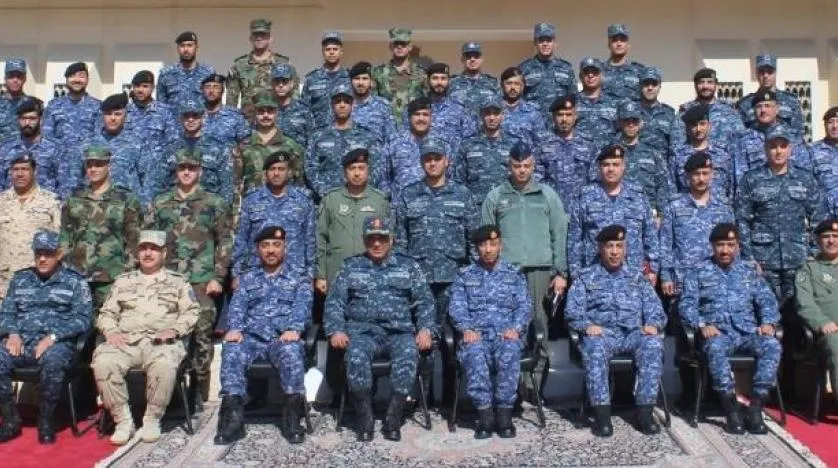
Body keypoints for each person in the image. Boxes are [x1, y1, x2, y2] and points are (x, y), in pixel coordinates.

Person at [325, 215, 435, 442]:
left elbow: (425, 301)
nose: (376, 244)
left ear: (391, 239)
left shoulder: (408, 266)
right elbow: (335, 302)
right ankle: (364, 417)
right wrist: (336, 330)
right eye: (371, 239)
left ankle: (393, 418)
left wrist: (425, 329)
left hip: (399, 333)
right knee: (355, 357)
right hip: (362, 333)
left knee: (408, 355)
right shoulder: (350, 266)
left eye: (382, 238)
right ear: (364, 240)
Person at [91, 230, 199, 445]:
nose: (148, 253)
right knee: (103, 361)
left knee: (164, 363)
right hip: (126, 341)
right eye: (143, 248)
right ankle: (123, 421)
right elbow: (106, 314)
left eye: (154, 249)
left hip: (161, 342)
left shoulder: (178, 283)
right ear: (137, 252)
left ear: (164, 253)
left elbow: (191, 312)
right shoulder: (122, 282)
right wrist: (111, 332)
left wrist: (174, 330)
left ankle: (152, 420)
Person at [482, 142, 568, 400]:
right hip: (506, 273)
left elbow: (559, 234)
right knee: (507, 327)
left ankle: (534, 386)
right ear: (509, 166)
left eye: (527, 165)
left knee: (539, 325)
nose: (522, 170)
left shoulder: (547, 195)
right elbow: (486, 236)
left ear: (534, 165)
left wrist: (560, 272)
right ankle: (511, 386)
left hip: (539, 272)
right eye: (517, 165)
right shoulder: (495, 196)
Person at [146, 148, 233, 403]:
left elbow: (225, 242)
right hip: (167, 280)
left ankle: (198, 390)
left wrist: (218, 277)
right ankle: (169, 391)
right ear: (176, 171)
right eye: (182, 168)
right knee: (165, 330)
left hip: (202, 281)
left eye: (191, 168)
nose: (186, 172)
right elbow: (149, 242)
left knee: (201, 334)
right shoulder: (160, 203)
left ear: (200, 171)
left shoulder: (214, 203)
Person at [679, 223, 781, 435]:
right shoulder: (698, 272)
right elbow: (686, 305)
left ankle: (755, 407)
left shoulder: (749, 272)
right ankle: (731, 408)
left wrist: (768, 322)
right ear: (712, 246)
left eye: (730, 245)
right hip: (718, 334)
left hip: (747, 332)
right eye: (720, 245)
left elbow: (767, 300)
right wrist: (701, 324)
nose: (725, 250)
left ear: (737, 246)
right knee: (715, 348)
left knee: (772, 345)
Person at [565, 224, 666, 437]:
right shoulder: (585, 277)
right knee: (594, 348)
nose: (614, 252)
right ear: (600, 248)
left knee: (652, 343)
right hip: (603, 335)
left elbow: (657, 310)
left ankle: (645, 413)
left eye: (619, 246)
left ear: (625, 249)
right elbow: (572, 312)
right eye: (609, 246)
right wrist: (586, 326)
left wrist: (653, 324)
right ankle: (602, 416)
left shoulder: (637, 277)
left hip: (633, 334)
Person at [215, 225, 311, 445]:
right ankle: (233, 420)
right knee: (232, 350)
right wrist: (235, 328)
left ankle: (292, 419)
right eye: (265, 245)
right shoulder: (247, 279)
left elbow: (302, 308)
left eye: (276, 245)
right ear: (258, 249)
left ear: (285, 248)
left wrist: (294, 328)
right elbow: (237, 307)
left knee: (291, 352)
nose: (271, 250)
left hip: (282, 339)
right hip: (251, 339)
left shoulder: (299, 279)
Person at [0, 230, 92, 444]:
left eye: (48, 254)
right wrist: (12, 333)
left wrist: (53, 337)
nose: (42, 258)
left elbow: (84, 319)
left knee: (53, 361)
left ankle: (46, 419)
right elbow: (6, 312)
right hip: (22, 341)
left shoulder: (74, 281)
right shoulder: (20, 279)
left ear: (58, 254)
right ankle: (11, 420)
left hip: (56, 343)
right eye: (38, 253)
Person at [448, 225, 531, 439]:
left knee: (510, 350)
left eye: (493, 244)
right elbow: (457, 308)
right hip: (476, 335)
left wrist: (516, 328)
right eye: (483, 245)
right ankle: (485, 416)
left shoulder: (514, 274)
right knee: (473, 352)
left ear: (500, 246)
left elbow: (524, 307)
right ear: (476, 248)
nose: (488, 249)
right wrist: (466, 329)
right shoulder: (464, 275)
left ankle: (504, 416)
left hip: (506, 334)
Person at [394, 138, 479, 324]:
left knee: (452, 330)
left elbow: (473, 240)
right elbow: (400, 241)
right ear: (421, 162)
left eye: (437, 158)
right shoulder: (408, 194)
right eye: (427, 159)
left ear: (447, 161)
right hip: (419, 278)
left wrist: (473, 276)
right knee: (422, 331)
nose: (432, 163)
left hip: (453, 276)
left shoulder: (462, 194)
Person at [736, 125, 826, 301]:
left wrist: (814, 253)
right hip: (763, 261)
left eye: (783, 146)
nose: (778, 151)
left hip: (798, 259)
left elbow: (818, 217)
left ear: (790, 149)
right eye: (773, 146)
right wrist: (749, 258)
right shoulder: (751, 179)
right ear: (765, 149)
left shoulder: (804, 179)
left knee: (800, 310)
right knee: (766, 310)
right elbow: (742, 220)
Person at [59, 146, 142, 313]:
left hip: (112, 275)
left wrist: (128, 272)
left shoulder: (125, 199)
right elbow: (65, 236)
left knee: (110, 320)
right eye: (89, 165)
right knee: (78, 320)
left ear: (108, 166)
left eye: (98, 164)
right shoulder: (74, 198)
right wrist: (65, 267)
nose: (93, 169)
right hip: (78, 273)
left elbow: (134, 239)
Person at [568, 144, 659, 281]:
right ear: (599, 167)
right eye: (606, 165)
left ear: (623, 167)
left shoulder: (638, 195)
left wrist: (652, 268)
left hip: (633, 274)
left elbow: (650, 234)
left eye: (616, 164)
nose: (611, 169)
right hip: (594, 275)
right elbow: (575, 239)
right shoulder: (585, 196)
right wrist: (576, 273)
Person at [660, 152, 735, 297]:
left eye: (705, 173)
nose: (701, 179)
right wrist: (666, 277)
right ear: (687, 176)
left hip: (716, 279)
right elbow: (665, 245)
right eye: (696, 174)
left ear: (712, 174)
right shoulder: (674, 207)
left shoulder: (723, 207)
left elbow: (733, 244)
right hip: (683, 280)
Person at [232, 152, 315, 281]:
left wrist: (311, 274)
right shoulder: (252, 200)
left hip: (294, 275)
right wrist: (237, 274)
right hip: (257, 274)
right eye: (272, 169)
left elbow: (310, 240)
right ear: (266, 173)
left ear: (289, 172)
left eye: (281, 169)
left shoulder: (303, 200)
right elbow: (241, 239)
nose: (276, 173)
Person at [316, 148, 390, 292]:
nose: (357, 173)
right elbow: (321, 239)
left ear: (368, 170)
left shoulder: (379, 201)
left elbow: (389, 238)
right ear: (345, 172)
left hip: (370, 272)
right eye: (352, 168)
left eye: (361, 168)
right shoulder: (331, 200)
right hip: (337, 272)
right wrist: (321, 275)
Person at [0, 153, 61, 301]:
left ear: (35, 171)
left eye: (25, 169)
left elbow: (61, 241)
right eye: (15, 169)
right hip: (4, 281)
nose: (20, 174)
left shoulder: (51, 201)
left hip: (37, 279)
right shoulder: (2, 201)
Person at [305, 84, 380, 202]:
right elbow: (310, 167)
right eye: (338, 101)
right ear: (332, 105)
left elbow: (376, 166)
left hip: (359, 199)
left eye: (346, 101)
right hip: (327, 199)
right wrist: (324, 192)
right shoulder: (318, 136)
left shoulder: (367, 136)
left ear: (352, 105)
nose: (342, 105)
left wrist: (361, 191)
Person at [234, 91, 305, 206]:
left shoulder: (291, 146)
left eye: (270, 111)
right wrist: (235, 212)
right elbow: (235, 182)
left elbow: (299, 182)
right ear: (255, 113)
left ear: (276, 113)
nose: (266, 115)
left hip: (284, 208)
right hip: (253, 208)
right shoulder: (244, 146)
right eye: (261, 111)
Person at [795, 219, 838, 404]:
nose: (831, 240)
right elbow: (803, 302)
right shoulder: (809, 269)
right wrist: (821, 322)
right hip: (830, 331)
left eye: (835, 236)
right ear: (818, 241)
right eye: (826, 236)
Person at [73, 94, 145, 203]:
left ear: (125, 116)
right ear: (102, 116)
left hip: (127, 206)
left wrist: (144, 205)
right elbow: (75, 177)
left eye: (118, 114)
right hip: (93, 206)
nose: (113, 118)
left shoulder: (136, 143)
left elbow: (147, 179)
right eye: (108, 114)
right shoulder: (87, 143)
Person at [733, 89, 812, 185]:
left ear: (777, 109)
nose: (763, 110)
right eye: (759, 106)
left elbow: (805, 172)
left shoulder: (793, 137)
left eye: (767, 106)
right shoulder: (743, 140)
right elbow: (740, 177)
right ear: (754, 110)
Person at [609, 102, 671, 217]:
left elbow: (663, 185)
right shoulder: (609, 153)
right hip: (617, 212)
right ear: (620, 122)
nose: (631, 124)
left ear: (641, 123)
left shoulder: (653, 154)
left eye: (635, 120)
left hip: (647, 214)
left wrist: (661, 215)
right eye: (626, 120)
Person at [534, 94, 596, 208]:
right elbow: (537, 179)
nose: (564, 119)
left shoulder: (588, 144)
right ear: (553, 117)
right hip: (551, 207)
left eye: (568, 115)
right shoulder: (542, 143)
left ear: (575, 116)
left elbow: (594, 179)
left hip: (581, 207)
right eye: (560, 115)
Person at [456, 96, 520, 204]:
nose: (492, 118)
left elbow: (521, 176)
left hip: (507, 204)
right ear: (481, 115)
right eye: (488, 113)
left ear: (502, 116)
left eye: (496, 113)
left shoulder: (514, 144)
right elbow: (459, 179)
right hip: (477, 205)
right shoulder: (467, 145)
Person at [226, 19, 290, 121]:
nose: (259, 38)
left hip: (277, 121)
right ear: (250, 38)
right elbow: (231, 102)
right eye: (256, 35)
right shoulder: (239, 66)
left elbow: (293, 96)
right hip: (248, 122)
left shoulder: (283, 63)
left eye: (263, 35)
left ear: (270, 38)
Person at [670, 105, 734, 199]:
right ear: (687, 128)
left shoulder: (722, 153)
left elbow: (731, 186)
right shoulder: (677, 155)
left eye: (702, 124)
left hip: (719, 206)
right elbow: (672, 188)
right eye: (694, 125)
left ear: (709, 126)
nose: (698, 129)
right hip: (687, 206)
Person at [671, 68, 744, 150]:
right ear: (695, 85)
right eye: (701, 82)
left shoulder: (729, 111)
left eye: (710, 82)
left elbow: (740, 141)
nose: (705, 86)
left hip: (725, 157)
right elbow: (677, 143)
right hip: (694, 157)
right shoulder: (686, 111)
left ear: (716, 84)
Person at [736, 54, 805, 140]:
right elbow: (740, 134)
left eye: (770, 72)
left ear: (775, 73)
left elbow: (798, 133)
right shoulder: (744, 104)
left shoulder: (792, 101)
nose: (765, 76)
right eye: (761, 72)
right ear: (756, 74)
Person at [0, 98, 61, 194]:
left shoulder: (55, 148)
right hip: (12, 201)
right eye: (23, 118)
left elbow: (63, 184)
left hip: (44, 202)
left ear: (40, 120)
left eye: (32, 119)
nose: (27, 123)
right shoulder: (5, 148)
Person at [125, 70, 180, 168]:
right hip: (130, 169)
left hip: (156, 169)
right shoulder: (124, 112)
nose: (140, 90)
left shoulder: (165, 112)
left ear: (153, 88)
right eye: (137, 86)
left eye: (145, 86)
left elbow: (173, 142)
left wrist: (167, 166)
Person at [371, 27, 426, 125]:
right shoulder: (378, 72)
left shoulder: (421, 73)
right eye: (396, 44)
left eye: (403, 44)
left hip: (413, 127)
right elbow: (373, 101)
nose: (399, 47)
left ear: (410, 47)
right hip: (386, 125)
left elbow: (427, 102)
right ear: (391, 47)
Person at [518, 23, 576, 113]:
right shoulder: (524, 68)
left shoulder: (566, 68)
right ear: (535, 42)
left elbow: (573, 97)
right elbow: (518, 98)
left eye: (549, 40)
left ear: (555, 43)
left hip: (559, 120)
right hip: (533, 120)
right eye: (541, 40)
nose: (545, 44)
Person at [41, 62, 101, 147]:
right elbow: (47, 137)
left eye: (81, 76)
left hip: (88, 154)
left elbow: (100, 138)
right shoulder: (54, 105)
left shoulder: (97, 106)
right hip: (59, 154)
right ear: (66, 79)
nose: (77, 80)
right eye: (72, 76)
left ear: (87, 80)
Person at [302, 31, 350, 130]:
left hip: (345, 132)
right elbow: (304, 109)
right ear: (323, 52)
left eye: (335, 49)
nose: (331, 52)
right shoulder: (312, 79)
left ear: (341, 52)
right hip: (319, 133)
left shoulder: (350, 77)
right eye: (328, 49)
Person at [157, 31, 216, 108]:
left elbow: (215, 103)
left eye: (189, 45)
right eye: (182, 46)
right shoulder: (166, 74)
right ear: (177, 49)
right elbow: (160, 106)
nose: (186, 49)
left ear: (197, 47)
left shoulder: (208, 73)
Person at [574, 57, 619, 150]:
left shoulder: (614, 103)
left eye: (595, 72)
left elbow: (620, 132)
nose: (590, 75)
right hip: (580, 155)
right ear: (580, 76)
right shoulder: (572, 102)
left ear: (602, 76)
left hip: (606, 156)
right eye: (586, 72)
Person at [348, 61, 397, 146]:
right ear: (351, 81)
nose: (360, 83)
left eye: (365, 78)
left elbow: (391, 138)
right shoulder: (344, 105)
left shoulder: (383, 105)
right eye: (357, 78)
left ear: (371, 82)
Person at [498, 67, 547, 148]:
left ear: (522, 86)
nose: (513, 87)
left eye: (516, 84)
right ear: (502, 85)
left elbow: (542, 143)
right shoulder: (492, 112)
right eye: (509, 83)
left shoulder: (533, 113)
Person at [201, 74, 251, 148]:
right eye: (207, 87)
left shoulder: (235, 116)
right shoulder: (193, 116)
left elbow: (245, 143)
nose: (211, 91)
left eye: (216, 87)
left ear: (222, 91)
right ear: (202, 90)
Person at [448, 42, 499, 114]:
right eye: (468, 56)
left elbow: (500, 108)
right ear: (462, 59)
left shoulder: (492, 83)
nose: (472, 59)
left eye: (476, 56)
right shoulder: (452, 82)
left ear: (481, 59)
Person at [601, 24, 646, 104]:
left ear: (628, 45)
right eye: (614, 40)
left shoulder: (640, 71)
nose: (619, 44)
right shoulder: (599, 71)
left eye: (622, 40)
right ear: (608, 44)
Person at [272, 64, 314, 149]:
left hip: (298, 156)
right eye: (277, 81)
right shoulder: (266, 110)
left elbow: (312, 140)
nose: (280, 85)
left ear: (291, 84)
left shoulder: (303, 110)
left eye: (284, 81)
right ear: (272, 84)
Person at [638, 67, 676, 155]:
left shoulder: (669, 114)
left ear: (659, 87)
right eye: (646, 84)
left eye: (654, 84)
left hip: (661, 162)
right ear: (640, 86)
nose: (650, 88)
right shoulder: (631, 111)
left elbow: (674, 146)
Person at [811, 107, 838, 210]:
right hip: (823, 213)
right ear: (825, 125)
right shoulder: (811, 150)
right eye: (830, 122)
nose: (835, 126)